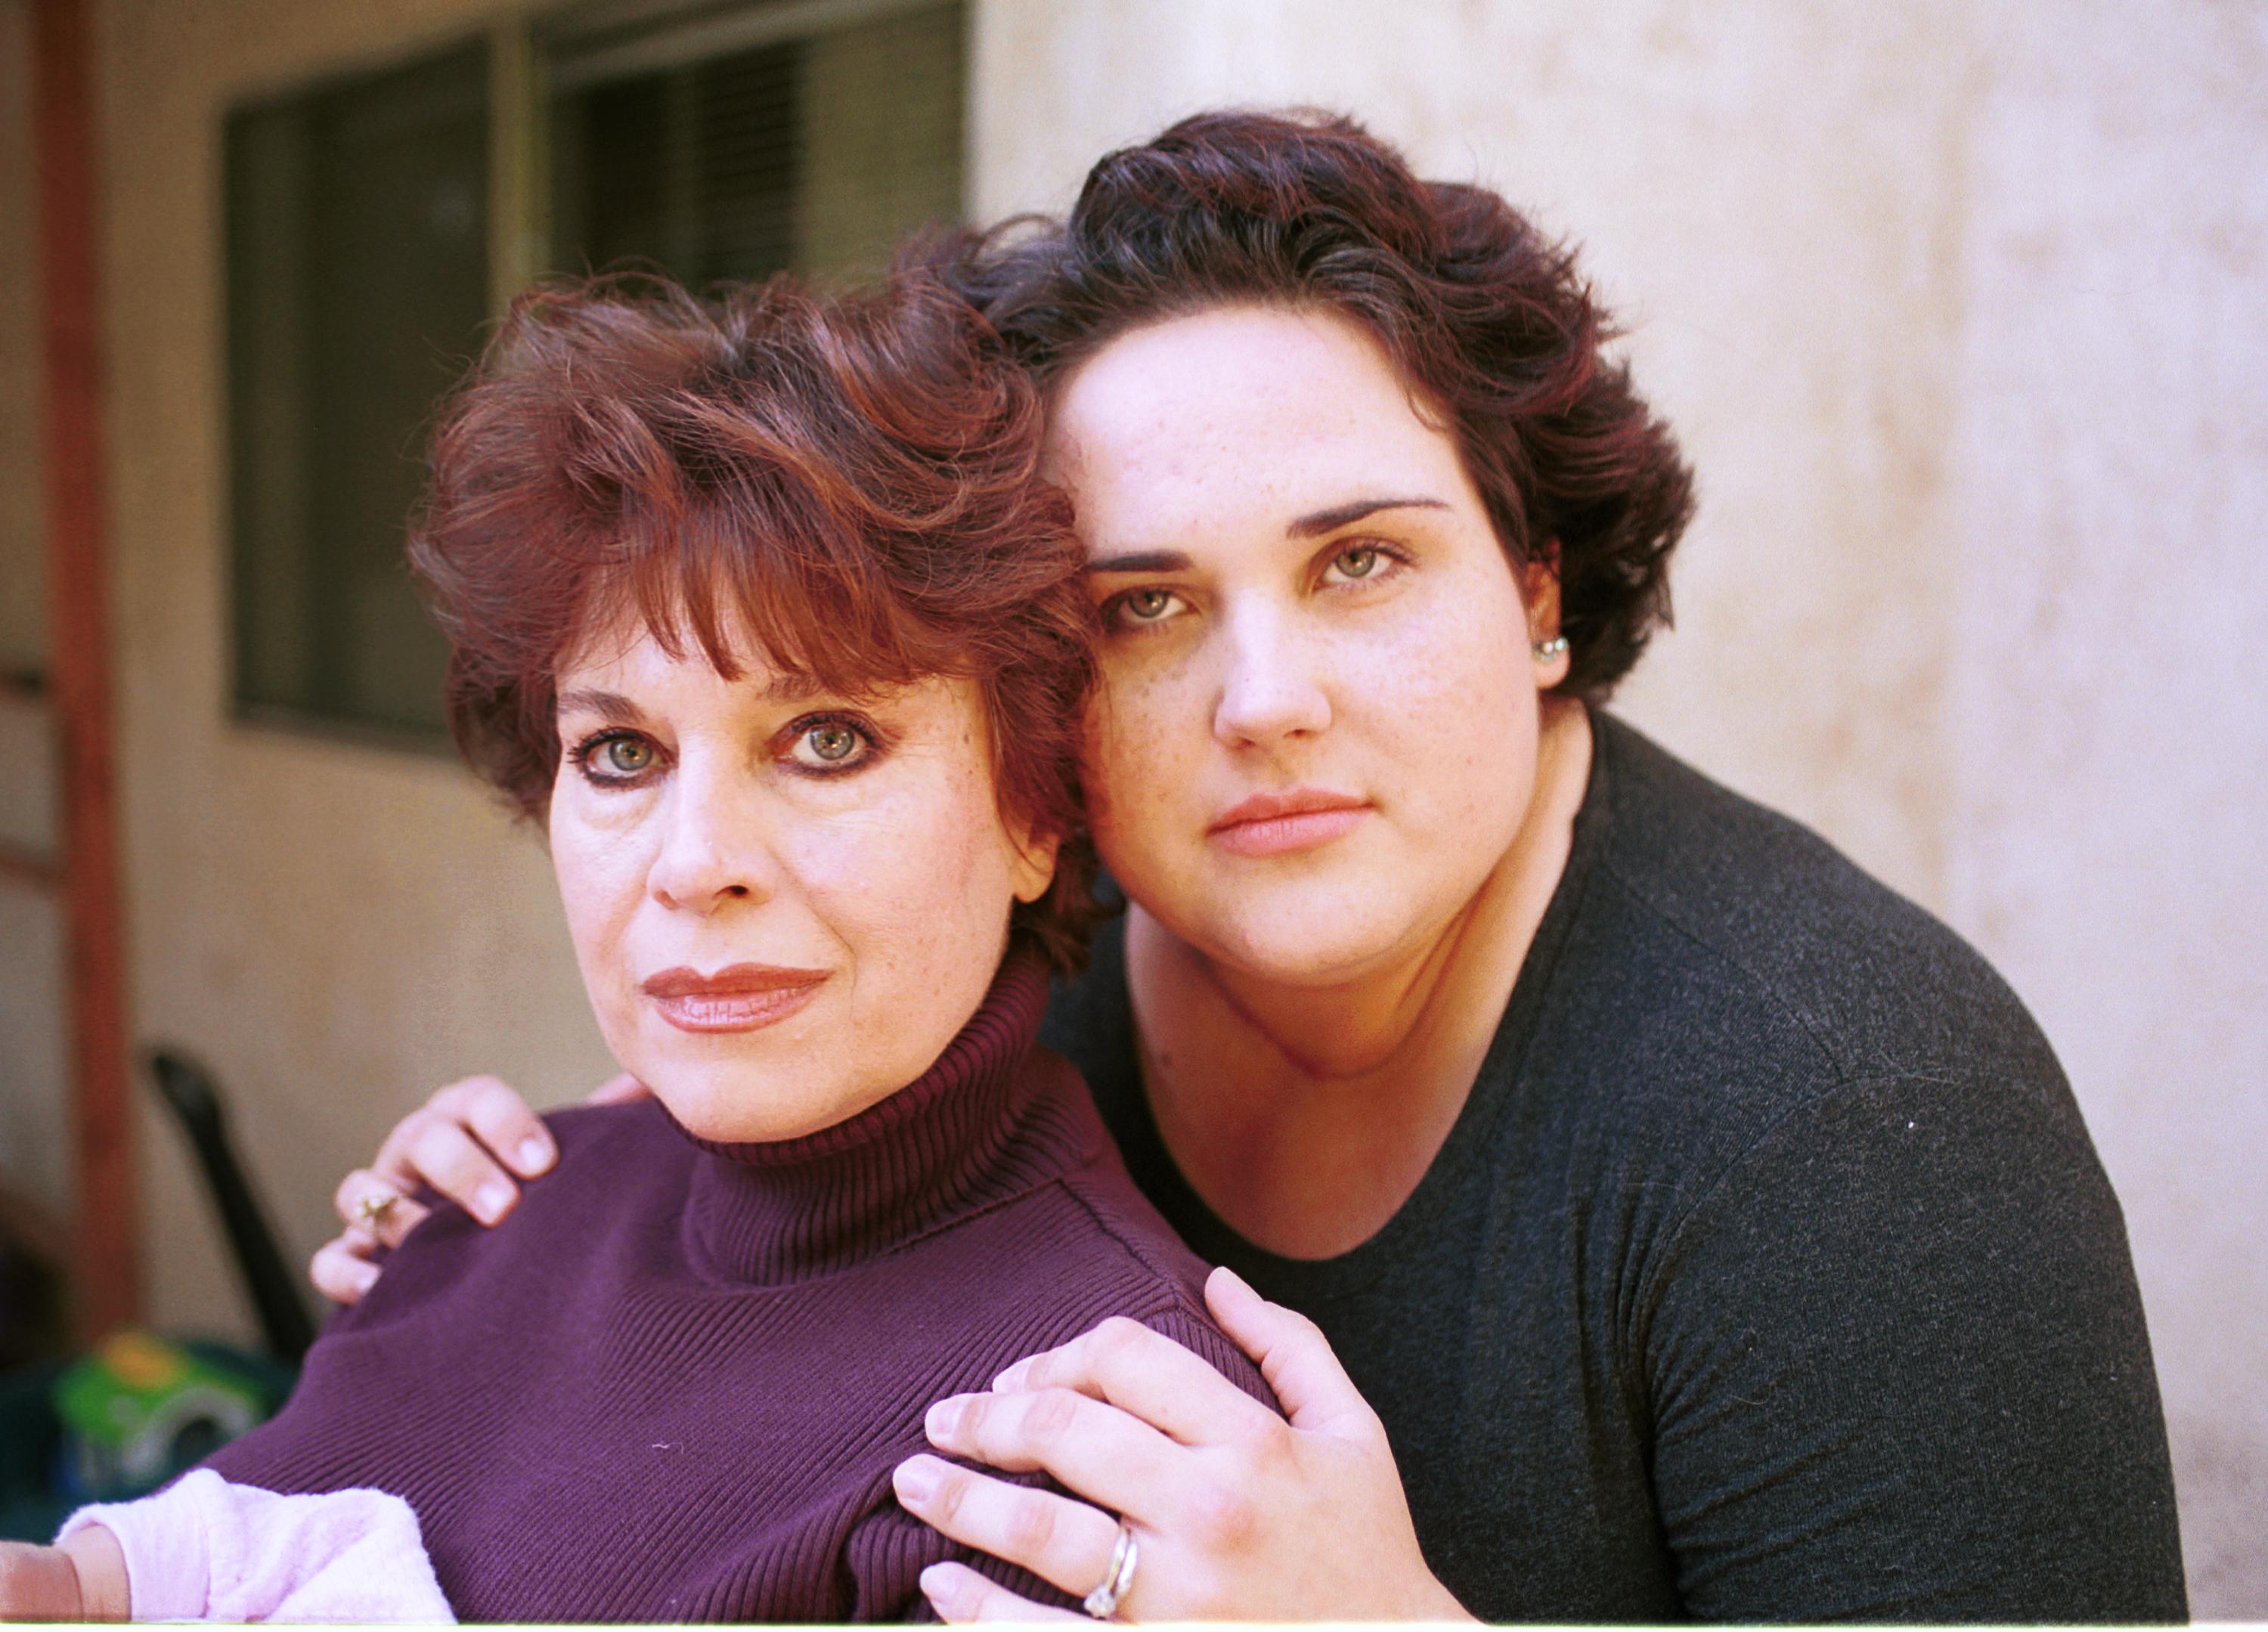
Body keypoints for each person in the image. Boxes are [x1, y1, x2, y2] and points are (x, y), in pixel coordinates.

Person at [318, 112, 2189, 1621]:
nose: (1264, 702)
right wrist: (557, 1214)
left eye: (1360, 562)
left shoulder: (1851, 1127)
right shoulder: (1034, 923)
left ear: (1536, 593)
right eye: (1144, 606)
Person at [0, 271, 1275, 1621]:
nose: (692, 862)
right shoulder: (493, 1212)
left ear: (1034, 808)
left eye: (826, 739)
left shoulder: (1085, 1456)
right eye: (620, 752)